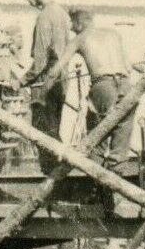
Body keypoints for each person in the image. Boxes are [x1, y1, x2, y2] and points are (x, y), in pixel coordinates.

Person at [36, 9, 138, 173]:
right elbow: (128, 66)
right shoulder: (114, 34)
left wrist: (41, 96)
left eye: (72, 24)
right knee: (121, 143)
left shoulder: (79, 39)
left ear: (80, 23)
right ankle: (115, 189)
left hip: (103, 87)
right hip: (127, 86)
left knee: (95, 140)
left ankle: (97, 189)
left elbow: (54, 71)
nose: (70, 28)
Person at [21, 0, 73, 170]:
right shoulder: (61, 13)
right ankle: (59, 172)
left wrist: (20, 81)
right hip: (61, 82)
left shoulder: (44, 16)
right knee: (53, 128)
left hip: (44, 85)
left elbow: (40, 61)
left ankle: (54, 181)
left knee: (43, 135)